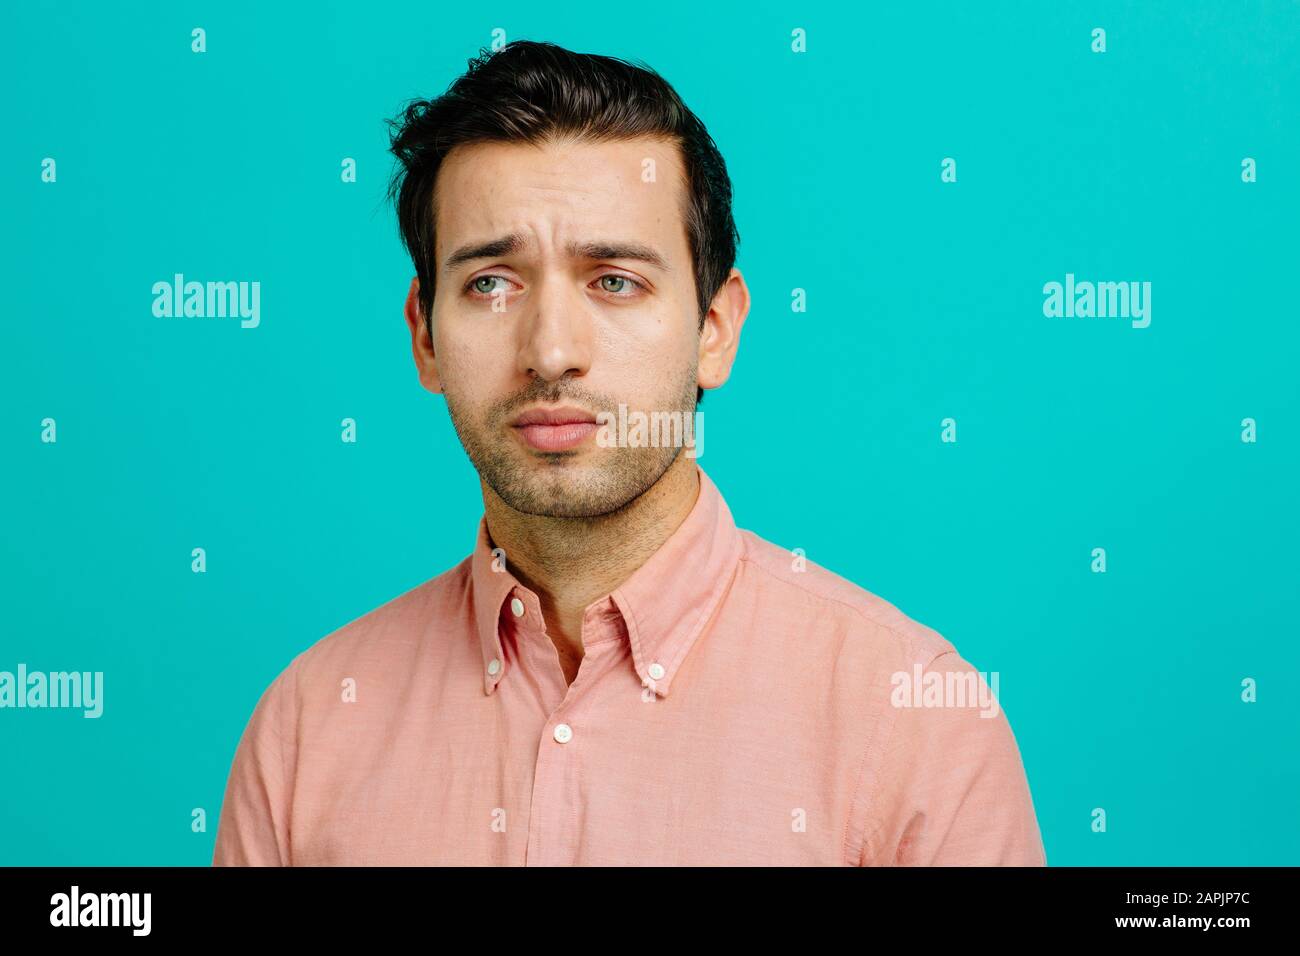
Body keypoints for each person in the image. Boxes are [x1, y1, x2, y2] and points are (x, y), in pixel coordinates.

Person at [212, 39, 1046, 866]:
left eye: (614, 280)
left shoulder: (915, 724)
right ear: (424, 337)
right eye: (491, 283)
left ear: (714, 331)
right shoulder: (306, 729)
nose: (549, 351)